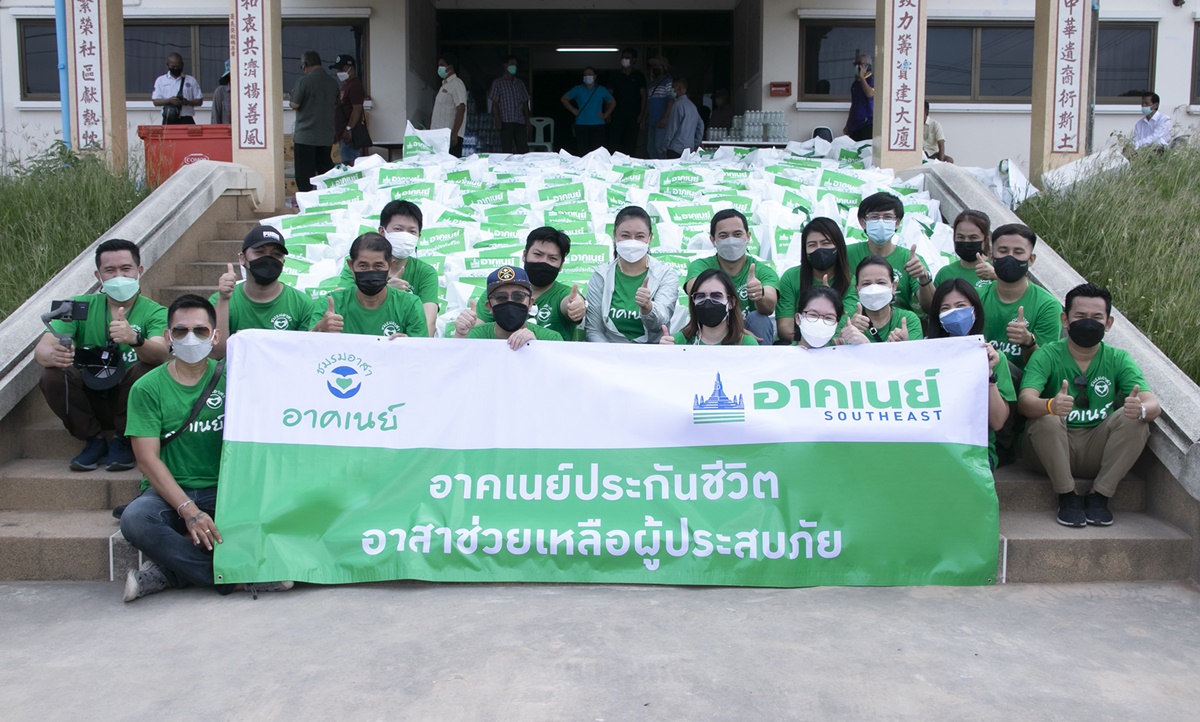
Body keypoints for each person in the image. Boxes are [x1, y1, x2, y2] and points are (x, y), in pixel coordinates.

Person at [120, 294, 293, 602]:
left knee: (284, 508)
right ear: (168, 337)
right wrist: (189, 510)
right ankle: (231, 581)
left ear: (215, 336)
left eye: (200, 330)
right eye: (181, 331)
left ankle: (170, 573)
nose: (191, 338)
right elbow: (146, 460)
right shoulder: (146, 388)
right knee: (135, 520)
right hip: (171, 492)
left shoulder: (237, 379)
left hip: (228, 489)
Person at [1018, 283, 1159, 527]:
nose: (1088, 323)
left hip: (1097, 446)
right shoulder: (1047, 354)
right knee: (1047, 418)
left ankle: (1100, 496)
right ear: (1065, 319)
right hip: (1049, 449)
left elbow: (1153, 404)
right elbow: (1025, 402)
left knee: (1136, 420)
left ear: (1108, 323)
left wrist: (1141, 409)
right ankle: (1067, 496)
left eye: (1096, 318)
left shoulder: (1118, 358)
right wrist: (1051, 405)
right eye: (1080, 316)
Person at [35, 239, 169, 472]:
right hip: (90, 394)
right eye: (110, 270)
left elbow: (160, 353)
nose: (119, 276)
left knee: (147, 368)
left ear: (139, 270)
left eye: (126, 268)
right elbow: (43, 349)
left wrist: (135, 339)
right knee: (52, 374)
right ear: (98, 276)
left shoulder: (156, 312)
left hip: (130, 401)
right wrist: (54, 355)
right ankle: (93, 440)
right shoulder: (78, 306)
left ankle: (123, 439)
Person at [927, 279, 1013, 469]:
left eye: (961, 306)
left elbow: (998, 422)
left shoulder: (993, 358)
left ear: (975, 310)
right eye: (945, 308)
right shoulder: (925, 354)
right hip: (930, 446)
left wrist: (989, 374)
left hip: (975, 450)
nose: (954, 313)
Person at [210, 226, 322, 358]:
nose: (268, 259)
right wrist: (224, 299)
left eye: (276, 254)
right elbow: (217, 353)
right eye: (260, 252)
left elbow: (305, 355)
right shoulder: (219, 301)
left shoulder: (303, 305)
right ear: (242, 258)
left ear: (283, 261)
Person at [455, 226, 585, 341]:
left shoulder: (563, 295)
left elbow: (570, 303)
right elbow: (474, 333)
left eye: (552, 258)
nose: (543, 262)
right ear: (524, 255)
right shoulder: (497, 289)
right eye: (537, 254)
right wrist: (463, 329)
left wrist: (576, 306)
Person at [336, 200, 441, 335]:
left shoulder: (426, 272)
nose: (405, 236)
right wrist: (383, 291)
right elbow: (338, 303)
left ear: (419, 236)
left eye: (412, 231)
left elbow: (428, 325)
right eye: (398, 229)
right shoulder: (361, 267)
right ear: (382, 231)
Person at [585, 205, 677, 344]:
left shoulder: (666, 275)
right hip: (608, 352)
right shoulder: (600, 275)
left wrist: (648, 308)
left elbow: (660, 322)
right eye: (625, 236)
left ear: (650, 238)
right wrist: (610, 354)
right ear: (615, 236)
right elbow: (593, 330)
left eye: (640, 236)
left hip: (651, 351)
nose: (632, 242)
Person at [978, 223, 1062, 376]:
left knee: (999, 361)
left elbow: (1045, 369)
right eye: (1003, 251)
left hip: (1022, 383)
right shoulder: (977, 297)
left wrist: (1028, 342)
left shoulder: (1048, 306)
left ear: (1031, 259)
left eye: (1018, 252)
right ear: (991, 257)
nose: (1010, 257)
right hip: (978, 375)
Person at [684, 209, 778, 344]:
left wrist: (760, 293)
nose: (731, 240)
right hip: (713, 327)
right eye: (723, 236)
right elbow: (697, 295)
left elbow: (770, 305)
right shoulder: (700, 266)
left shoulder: (762, 270)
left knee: (760, 320)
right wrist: (737, 328)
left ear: (748, 236)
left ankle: (759, 357)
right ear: (712, 240)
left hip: (752, 331)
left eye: (737, 234)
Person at [312, 232, 428, 338]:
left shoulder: (410, 305)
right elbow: (308, 346)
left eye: (378, 266)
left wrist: (409, 345)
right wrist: (319, 329)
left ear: (390, 267)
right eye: (363, 266)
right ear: (351, 266)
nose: (371, 272)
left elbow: (421, 351)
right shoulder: (331, 304)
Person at [845, 192, 933, 315]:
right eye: (874, 217)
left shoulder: (910, 260)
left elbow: (931, 308)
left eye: (887, 217)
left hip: (899, 323)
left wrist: (924, 278)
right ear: (862, 222)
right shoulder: (846, 255)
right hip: (856, 321)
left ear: (897, 222)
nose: (881, 222)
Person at [776, 217, 857, 344]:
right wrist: (807, 343)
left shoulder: (851, 283)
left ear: (839, 246)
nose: (819, 249)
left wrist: (831, 301)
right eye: (812, 245)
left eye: (826, 243)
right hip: (799, 344)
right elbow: (785, 328)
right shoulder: (790, 277)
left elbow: (843, 327)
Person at [460, 266, 563, 349]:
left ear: (530, 304)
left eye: (518, 296)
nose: (510, 302)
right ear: (489, 306)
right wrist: (460, 335)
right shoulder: (475, 336)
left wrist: (536, 348)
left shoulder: (551, 339)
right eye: (501, 297)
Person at [661, 269, 757, 346]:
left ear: (731, 302)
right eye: (700, 296)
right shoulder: (678, 342)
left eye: (716, 296)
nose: (707, 302)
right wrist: (665, 353)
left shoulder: (746, 344)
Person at [289, 50, 339, 193]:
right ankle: (329, 197)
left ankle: (306, 200)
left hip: (306, 136)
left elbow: (295, 104)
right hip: (325, 136)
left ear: (306, 64)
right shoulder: (333, 83)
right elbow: (336, 104)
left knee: (304, 174)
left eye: (302, 67)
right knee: (325, 172)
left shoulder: (304, 81)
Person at [846, 255, 923, 343]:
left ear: (893, 286)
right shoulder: (848, 321)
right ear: (857, 289)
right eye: (866, 284)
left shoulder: (908, 320)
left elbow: (915, 351)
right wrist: (846, 333)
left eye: (881, 282)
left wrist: (903, 343)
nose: (874, 289)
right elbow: (836, 347)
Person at [793, 285, 869, 349]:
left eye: (828, 318)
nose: (820, 322)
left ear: (837, 325)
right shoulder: (786, 355)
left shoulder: (844, 352)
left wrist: (865, 346)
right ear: (798, 318)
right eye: (813, 315)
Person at [934, 209, 996, 287]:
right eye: (961, 237)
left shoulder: (997, 270)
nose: (966, 242)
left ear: (985, 240)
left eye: (973, 237)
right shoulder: (944, 273)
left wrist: (996, 276)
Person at [561, 68, 615, 156]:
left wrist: (606, 115)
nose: (587, 76)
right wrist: (573, 110)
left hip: (598, 124)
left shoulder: (601, 89)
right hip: (581, 124)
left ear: (595, 76)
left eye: (589, 74)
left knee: (598, 152)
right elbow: (564, 99)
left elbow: (613, 102)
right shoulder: (578, 89)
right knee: (583, 152)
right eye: (585, 74)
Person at [606, 48, 647, 157]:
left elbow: (644, 96)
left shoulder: (639, 75)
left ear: (634, 60)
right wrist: (607, 112)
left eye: (628, 58)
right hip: (616, 115)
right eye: (623, 57)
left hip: (633, 116)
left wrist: (642, 115)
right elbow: (608, 95)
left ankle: (629, 165)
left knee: (630, 144)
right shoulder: (615, 75)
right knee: (614, 143)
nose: (625, 59)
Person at [489, 56, 531, 154]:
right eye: (512, 64)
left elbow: (525, 103)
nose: (514, 66)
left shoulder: (520, 83)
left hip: (520, 121)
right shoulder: (498, 83)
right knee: (506, 149)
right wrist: (497, 119)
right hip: (506, 121)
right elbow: (495, 104)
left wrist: (527, 119)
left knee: (523, 149)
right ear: (505, 65)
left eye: (515, 65)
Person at [331, 54, 368, 165]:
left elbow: (357, 109)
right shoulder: (346, 85)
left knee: (350, 166)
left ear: (351, 68)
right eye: (337, 69)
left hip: (349, 135)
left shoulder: (355, 85)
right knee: (346, 164)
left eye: (341, 69)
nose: (338, 72)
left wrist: (348, 128)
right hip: (343, 134)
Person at [151, 52, 202, 125]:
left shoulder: (191, 80)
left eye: (178, 66)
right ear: (168, 65)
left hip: (186, 118)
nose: (176, 68)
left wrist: (186, 102)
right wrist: (169, 101)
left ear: (182, 65)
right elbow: (155, 102)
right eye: (173, 66)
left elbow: (199, 101)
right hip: (169, 117)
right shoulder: (161, 80)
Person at [432, 53, 468, 158]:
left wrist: (454, 134)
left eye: (442, 65)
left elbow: (461, 108)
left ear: (450, 67)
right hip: (439, 137)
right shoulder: (445, 85)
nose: (439, 68)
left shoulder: (457, 84)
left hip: (450, 137)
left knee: (450, 165)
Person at [661, 78, 704, 159]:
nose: (671, 90)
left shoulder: (677, 105)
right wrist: (697, 143)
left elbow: (672, 129)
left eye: (672, 88)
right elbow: (700, 125)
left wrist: (665, 147)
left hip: (676, 148)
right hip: (689, 149)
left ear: (678, 89)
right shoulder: (693, 106)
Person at [645, 56, 675, 159]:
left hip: (662, 121)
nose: (655, 68)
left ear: (664, 67)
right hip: (652, 121)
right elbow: (649, 103)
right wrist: (645, 118)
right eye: (654, 66)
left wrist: (664, 118)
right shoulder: (652, 85)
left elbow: (671, 100)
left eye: (658, 66)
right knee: (651, 148)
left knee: (660, 148)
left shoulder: (669, 82)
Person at [842, 53, 873, 142]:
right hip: (855, 124)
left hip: (867, 123)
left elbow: (870, 94)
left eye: (859, 64)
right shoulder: (855, 84)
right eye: (855, 64)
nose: (857, 66)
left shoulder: (871, 80)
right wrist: (848, 124)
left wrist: (862, 78)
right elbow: (854, 105)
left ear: (867, 66)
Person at [209, 60, 231, 125]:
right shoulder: (220, 92)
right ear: (229, 74)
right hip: (227, 130)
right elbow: (215, 119)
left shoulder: (248, 92)